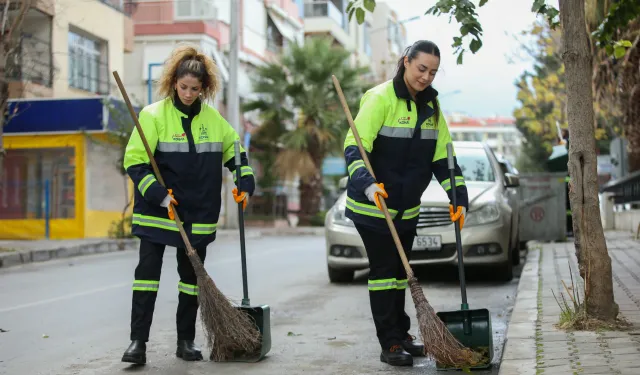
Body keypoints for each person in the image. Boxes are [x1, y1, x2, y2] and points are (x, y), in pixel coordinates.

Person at [120, 44, 255, 365]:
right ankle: (137, 343)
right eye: (183, 87)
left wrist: (244, 184)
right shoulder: (153, 115)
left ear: (205, 88)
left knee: (191, 282)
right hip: (158, 213)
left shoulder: (214, 120)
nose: (189, 94)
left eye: (196, 89)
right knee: (147, 276)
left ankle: (186, 341)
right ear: (173, 83)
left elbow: (236, 155)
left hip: (198, 215)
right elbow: (135, 162)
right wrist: (159, 194)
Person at [343, 40, 469, 367]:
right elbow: (354, 148)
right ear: (406, 62)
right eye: (421, 68)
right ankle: (390, 343)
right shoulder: (380, 98)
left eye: (433, 72)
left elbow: (444, 159)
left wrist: (459, 198)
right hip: (373, 207)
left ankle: (402, 333)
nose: (426, 77)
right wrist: (368, 186)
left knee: (400, 274)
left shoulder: (432, 109)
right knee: (385, 273)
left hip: (407, 208)